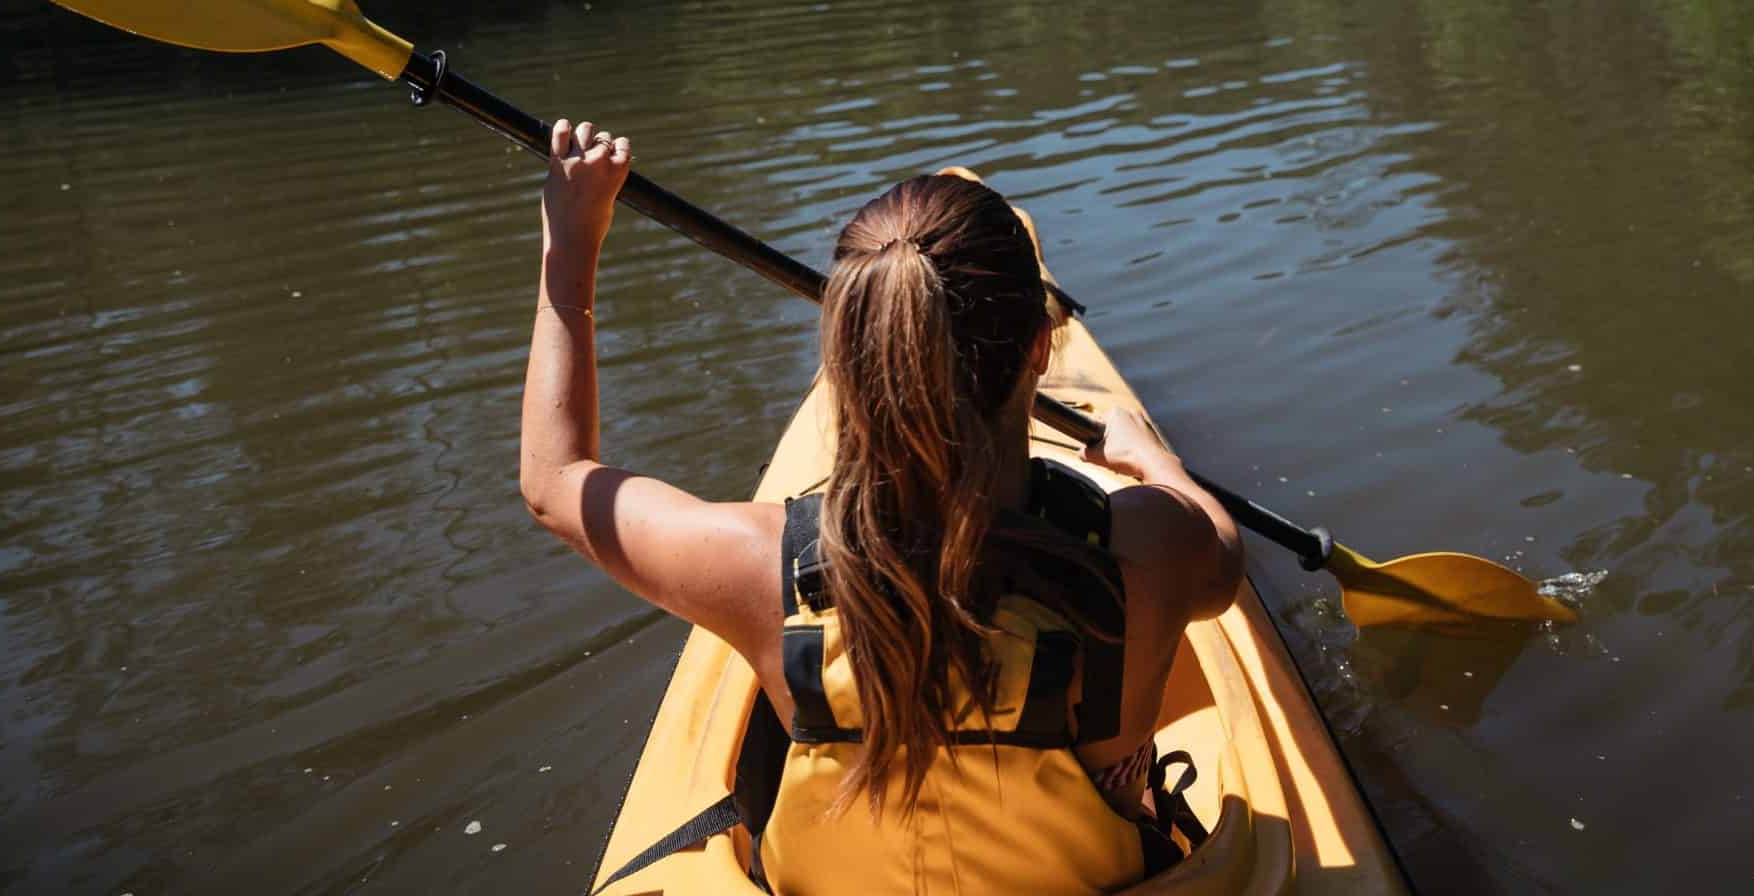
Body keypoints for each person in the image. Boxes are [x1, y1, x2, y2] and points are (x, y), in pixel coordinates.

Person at [520, 120, 1246, 894]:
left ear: (850, 357)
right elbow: (1225, 561)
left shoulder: (753, 564)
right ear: (1040, 346)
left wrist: (570, 249)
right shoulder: (1149, 544)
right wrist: (1159, 466)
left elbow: (556, 481)